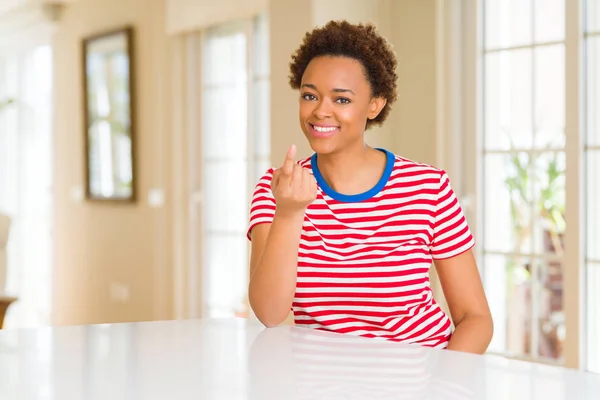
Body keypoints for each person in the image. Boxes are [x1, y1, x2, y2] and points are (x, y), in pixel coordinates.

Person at [246, 20, 493, 354]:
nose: (321, 111)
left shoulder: (428, 188)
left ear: (374, 104)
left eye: (342, 100)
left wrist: (441, 387)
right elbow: (270, 313)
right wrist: (290, 214)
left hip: (419, 378)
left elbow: (475, 318)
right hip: (320, 381)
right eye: (309, 95)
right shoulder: (278, 189)